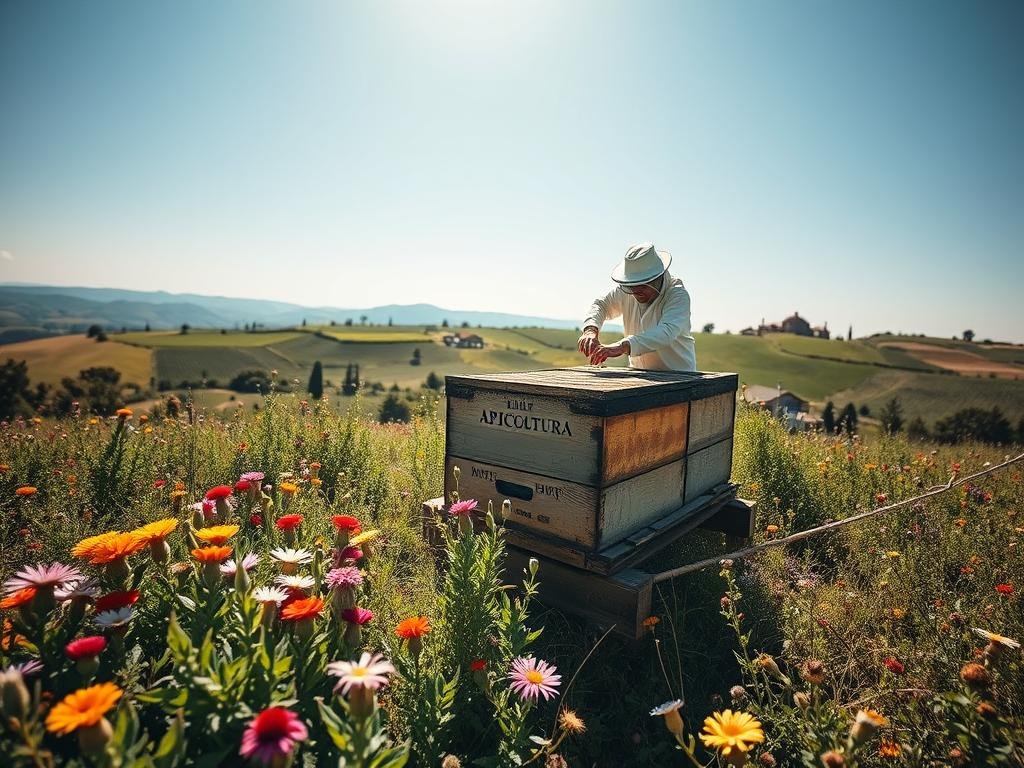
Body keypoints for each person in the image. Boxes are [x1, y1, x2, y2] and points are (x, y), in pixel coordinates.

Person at [578, 242, 696, 371]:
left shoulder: (677, 294)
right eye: (631, 285)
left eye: (643, 284)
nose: (635, 291)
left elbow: (666, 332)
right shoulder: (625, 289)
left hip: (680, 379)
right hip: (639, 377)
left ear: (657, 277)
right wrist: (590, 330)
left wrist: (622, 346)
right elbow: (601, 304)